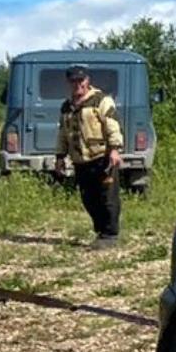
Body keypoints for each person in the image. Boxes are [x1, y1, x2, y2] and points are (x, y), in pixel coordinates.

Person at [55, 65, 124, 247]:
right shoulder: (66, 107)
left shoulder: (101, 100)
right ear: (69, 83)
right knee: (88, 199)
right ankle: (100, 232)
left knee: (107, 198)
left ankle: (110, 235)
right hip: (80, 161)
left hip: (103, 157)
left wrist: (115, 149)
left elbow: (112, 125)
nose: (78, 84)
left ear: (87, 80)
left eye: (81, 80)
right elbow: (63, 133)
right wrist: (60, 157)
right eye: (74, 81)